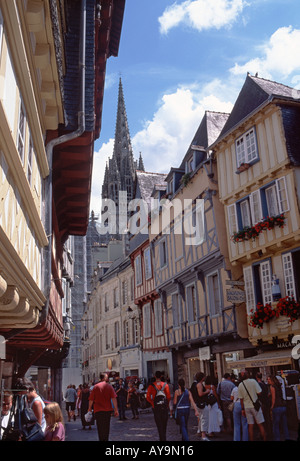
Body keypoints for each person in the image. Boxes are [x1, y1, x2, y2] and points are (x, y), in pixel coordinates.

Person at [87, 373, 118, 441]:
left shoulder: (96, 387)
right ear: (104, 378)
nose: (107, 378)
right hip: (107, 410)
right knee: (106, 426)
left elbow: (91, 399)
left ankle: (101, 439)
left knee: (100, 426)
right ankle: (105, 439)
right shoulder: (109, 386)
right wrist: (116, 409)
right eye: (106, 377)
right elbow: (114, 398)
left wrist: (89, 408)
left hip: (98, 410)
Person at [238, 371, 266, 441]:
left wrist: (242, 409)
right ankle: (264, 439)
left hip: (247, 407)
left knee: (250, 425)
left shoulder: (240, 385)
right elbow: (259, 392)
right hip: (255, 406)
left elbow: (241, 399)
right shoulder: (253, 381)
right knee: (260, 424)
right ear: (248, 375)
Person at [146, 370, 171, 441]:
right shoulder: (165, 385)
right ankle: (164, 439)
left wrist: (152, 403)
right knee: (164, 425)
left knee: (159, 426)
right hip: (164, 407)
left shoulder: (151, 386)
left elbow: (148, 397)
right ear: (161, 376)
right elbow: (168, 397)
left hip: (156, 408)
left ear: (154, 376)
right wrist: (167, 404)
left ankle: (161, 438)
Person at [267, 375, 289, 441]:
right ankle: (287, 437)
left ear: (272, 380)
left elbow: (274, 398)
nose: (268, 381)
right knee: (284, 425)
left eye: (269, 379)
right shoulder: (278, 386)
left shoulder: (272, 387)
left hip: (277, 407)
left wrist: (272, 407)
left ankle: (277, 439)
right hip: (283, 406)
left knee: (276, 425)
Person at [231, 375, 248, 441]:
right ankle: (245, 439)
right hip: (244, 404)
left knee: (236, 424)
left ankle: (236, 439)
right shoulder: (245, 388)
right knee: (245, 424)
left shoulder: (234, 389)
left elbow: (231, 398)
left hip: (236, 405)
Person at [194, 372, 210, 441]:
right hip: (202, 404)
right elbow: (200, 394)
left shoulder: (197, 384)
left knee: (201, 418)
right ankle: (203, 435)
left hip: (199, 404)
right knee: (204, 419)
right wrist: (207, 391)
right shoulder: (199, 384)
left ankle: (201, 433)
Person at [256, 372, 272, 440]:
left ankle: (263, 434)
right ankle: (269, 432)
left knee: (262, 420)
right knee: (267, 418)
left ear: (256, 377)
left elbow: (259, 395)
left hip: (262, 404)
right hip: (266, 403)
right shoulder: (265, 384)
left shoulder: (258, 385)